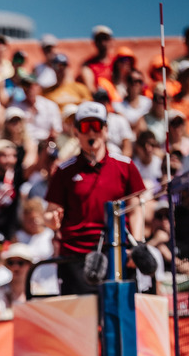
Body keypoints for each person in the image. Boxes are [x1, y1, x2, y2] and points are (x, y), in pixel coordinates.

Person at [45, 101, 145, 295]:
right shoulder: (64, 171)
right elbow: (50, 213)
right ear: (76, 132)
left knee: (120, 310)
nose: (91, 132)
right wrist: (52, 221)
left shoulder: (125, 166)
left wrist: (137, 246)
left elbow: (135, 210)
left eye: (96, 126)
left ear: (106, 130)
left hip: (117, 253)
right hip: (76, 257)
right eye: (85, 126)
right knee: (81, 314)